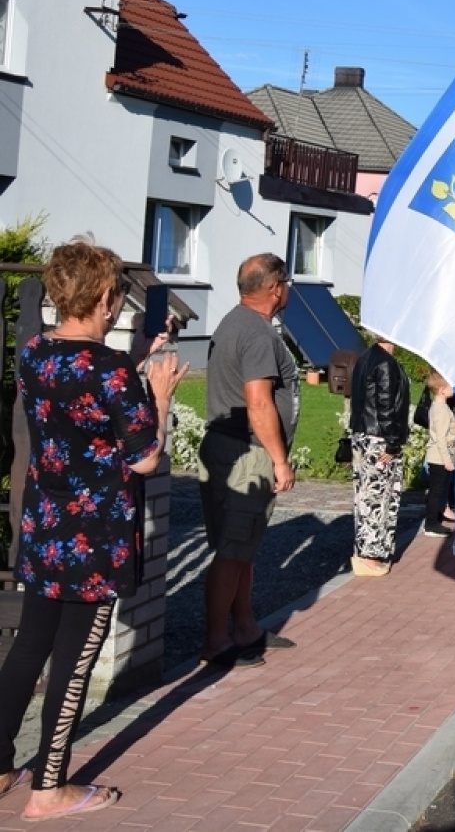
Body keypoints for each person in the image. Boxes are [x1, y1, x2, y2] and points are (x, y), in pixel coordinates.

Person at [0, 239, 185, 821]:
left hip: (46, 526)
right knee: (74, 660)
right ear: (105, 297)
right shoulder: (110, 371)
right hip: (95, 537)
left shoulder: (35, 353)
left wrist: (133, 365)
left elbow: (80, 400)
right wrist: (159, 397)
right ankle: (48, 789)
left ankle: (0, 765)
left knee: (29, 645)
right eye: (118, 296)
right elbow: (145, 457)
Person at [198, 253, 299, 669]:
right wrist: (279, 460)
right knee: (232, 550)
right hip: (247, 455)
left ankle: (244, 627)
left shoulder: (232, 322)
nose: (288, 289)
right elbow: (258, 403)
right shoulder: (256, 334)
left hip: (228, 447)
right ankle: (216, 641)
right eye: (287, 282)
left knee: (242, 548)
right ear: (275, 288)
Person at [347, 335, 410, 574]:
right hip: (379, 438)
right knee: (378, 497)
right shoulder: (385, 363)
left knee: (365, 495)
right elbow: (386, 405)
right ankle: (370, 556)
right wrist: (392, 443)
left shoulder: (366, 357)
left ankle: (365, 551)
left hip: (364, 434)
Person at [422, 368, 455, 538]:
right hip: (440, 458)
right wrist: (447, 460)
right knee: (437, 491)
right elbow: (441, 439)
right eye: (450, 386)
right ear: (442, 390)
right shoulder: (441, 410)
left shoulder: (439, 407)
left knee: (438, 489)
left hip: (439, 457)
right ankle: (431, 524)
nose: (453, 389)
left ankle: (434, 520)